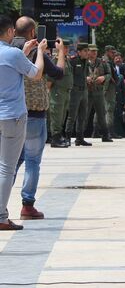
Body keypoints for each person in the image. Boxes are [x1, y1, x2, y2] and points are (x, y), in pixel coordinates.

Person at [10, 17, 65, 220]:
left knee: (10, 162)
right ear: (33, 32)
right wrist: (61, 52)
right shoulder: (35, 51)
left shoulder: (7, 50)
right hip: (34, 114)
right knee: (32, 160)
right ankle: (27, 204)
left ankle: (1, 203)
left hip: (11, 113)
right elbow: (58, 73)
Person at [0, 15, 47, 231]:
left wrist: (24, 52)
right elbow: (36, 74)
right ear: (9, 32)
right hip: (12, 117)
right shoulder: (13, 54)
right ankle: (1, 216)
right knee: (7, 169)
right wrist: (40, 54)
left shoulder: (14, 54)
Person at [84, 44, 113, 142]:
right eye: (92, 51)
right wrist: (85, 78)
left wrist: (104, 77)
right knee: (84, 114)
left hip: (98, 92)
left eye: (95, 51)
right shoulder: (82, 62)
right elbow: (76, 75)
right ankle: (79, 136)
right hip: (86, 92)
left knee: (101, 114)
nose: (94, 53)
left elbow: (109, 74)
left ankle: (105, 135)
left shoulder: (102, 62)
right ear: (87, 51)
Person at [48, 40, 73, 148]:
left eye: (67, 48)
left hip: (66, 92)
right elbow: (49, 80)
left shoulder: (66, 61)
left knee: (62, 116)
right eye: (64, 47)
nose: (66, 49)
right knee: (56, 116)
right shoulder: (54, 61)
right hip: (57, 92)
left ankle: (59, 136)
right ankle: (55, 138)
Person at [65, 44, 91, 146]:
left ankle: (80, 138)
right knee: (72, 116)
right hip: (75, 91)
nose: (87, 53)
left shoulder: (86, 62)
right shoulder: (73, 61)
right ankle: (67, 137)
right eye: (85, 51)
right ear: (79, 52)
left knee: (82, 116)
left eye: (87, 50)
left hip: (84, 91)